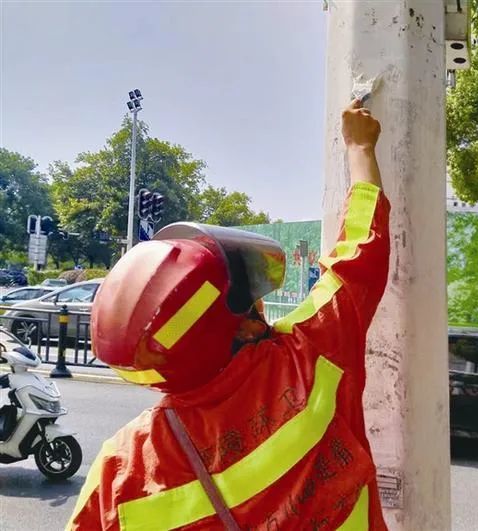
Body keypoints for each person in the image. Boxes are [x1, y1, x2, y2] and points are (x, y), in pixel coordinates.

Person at [66, 99, 390, 530]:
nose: (261, 308)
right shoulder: (307, 361)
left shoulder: (118, 471)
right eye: (251, 302)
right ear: (244, 325)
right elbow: (360, 256)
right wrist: (359, 148)